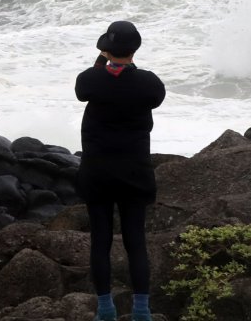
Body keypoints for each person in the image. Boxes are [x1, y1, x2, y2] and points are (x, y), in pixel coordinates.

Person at [75, 20, 166, 321]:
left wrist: (104, 58)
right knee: (135, 242)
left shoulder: (91, 80)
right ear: (135, 48)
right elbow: (152, 94)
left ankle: (105, 310)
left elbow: (86, 86)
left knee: (100, 241)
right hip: (134, 173)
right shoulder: (149, 84)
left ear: (106, 49)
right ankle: (142, 311)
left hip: (98, 173)